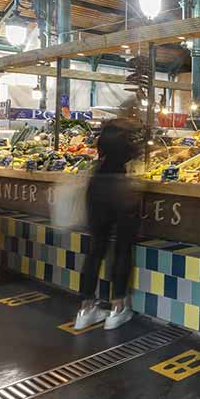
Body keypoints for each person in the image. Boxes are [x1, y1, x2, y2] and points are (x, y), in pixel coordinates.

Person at [74, 118, 141, 331]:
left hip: (96, 187)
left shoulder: (103, 141)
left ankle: (85, 310)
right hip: (119, 189)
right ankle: (117, 308)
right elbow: (135, 155)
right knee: (121, 249)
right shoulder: (127, 140)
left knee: (95, 249)